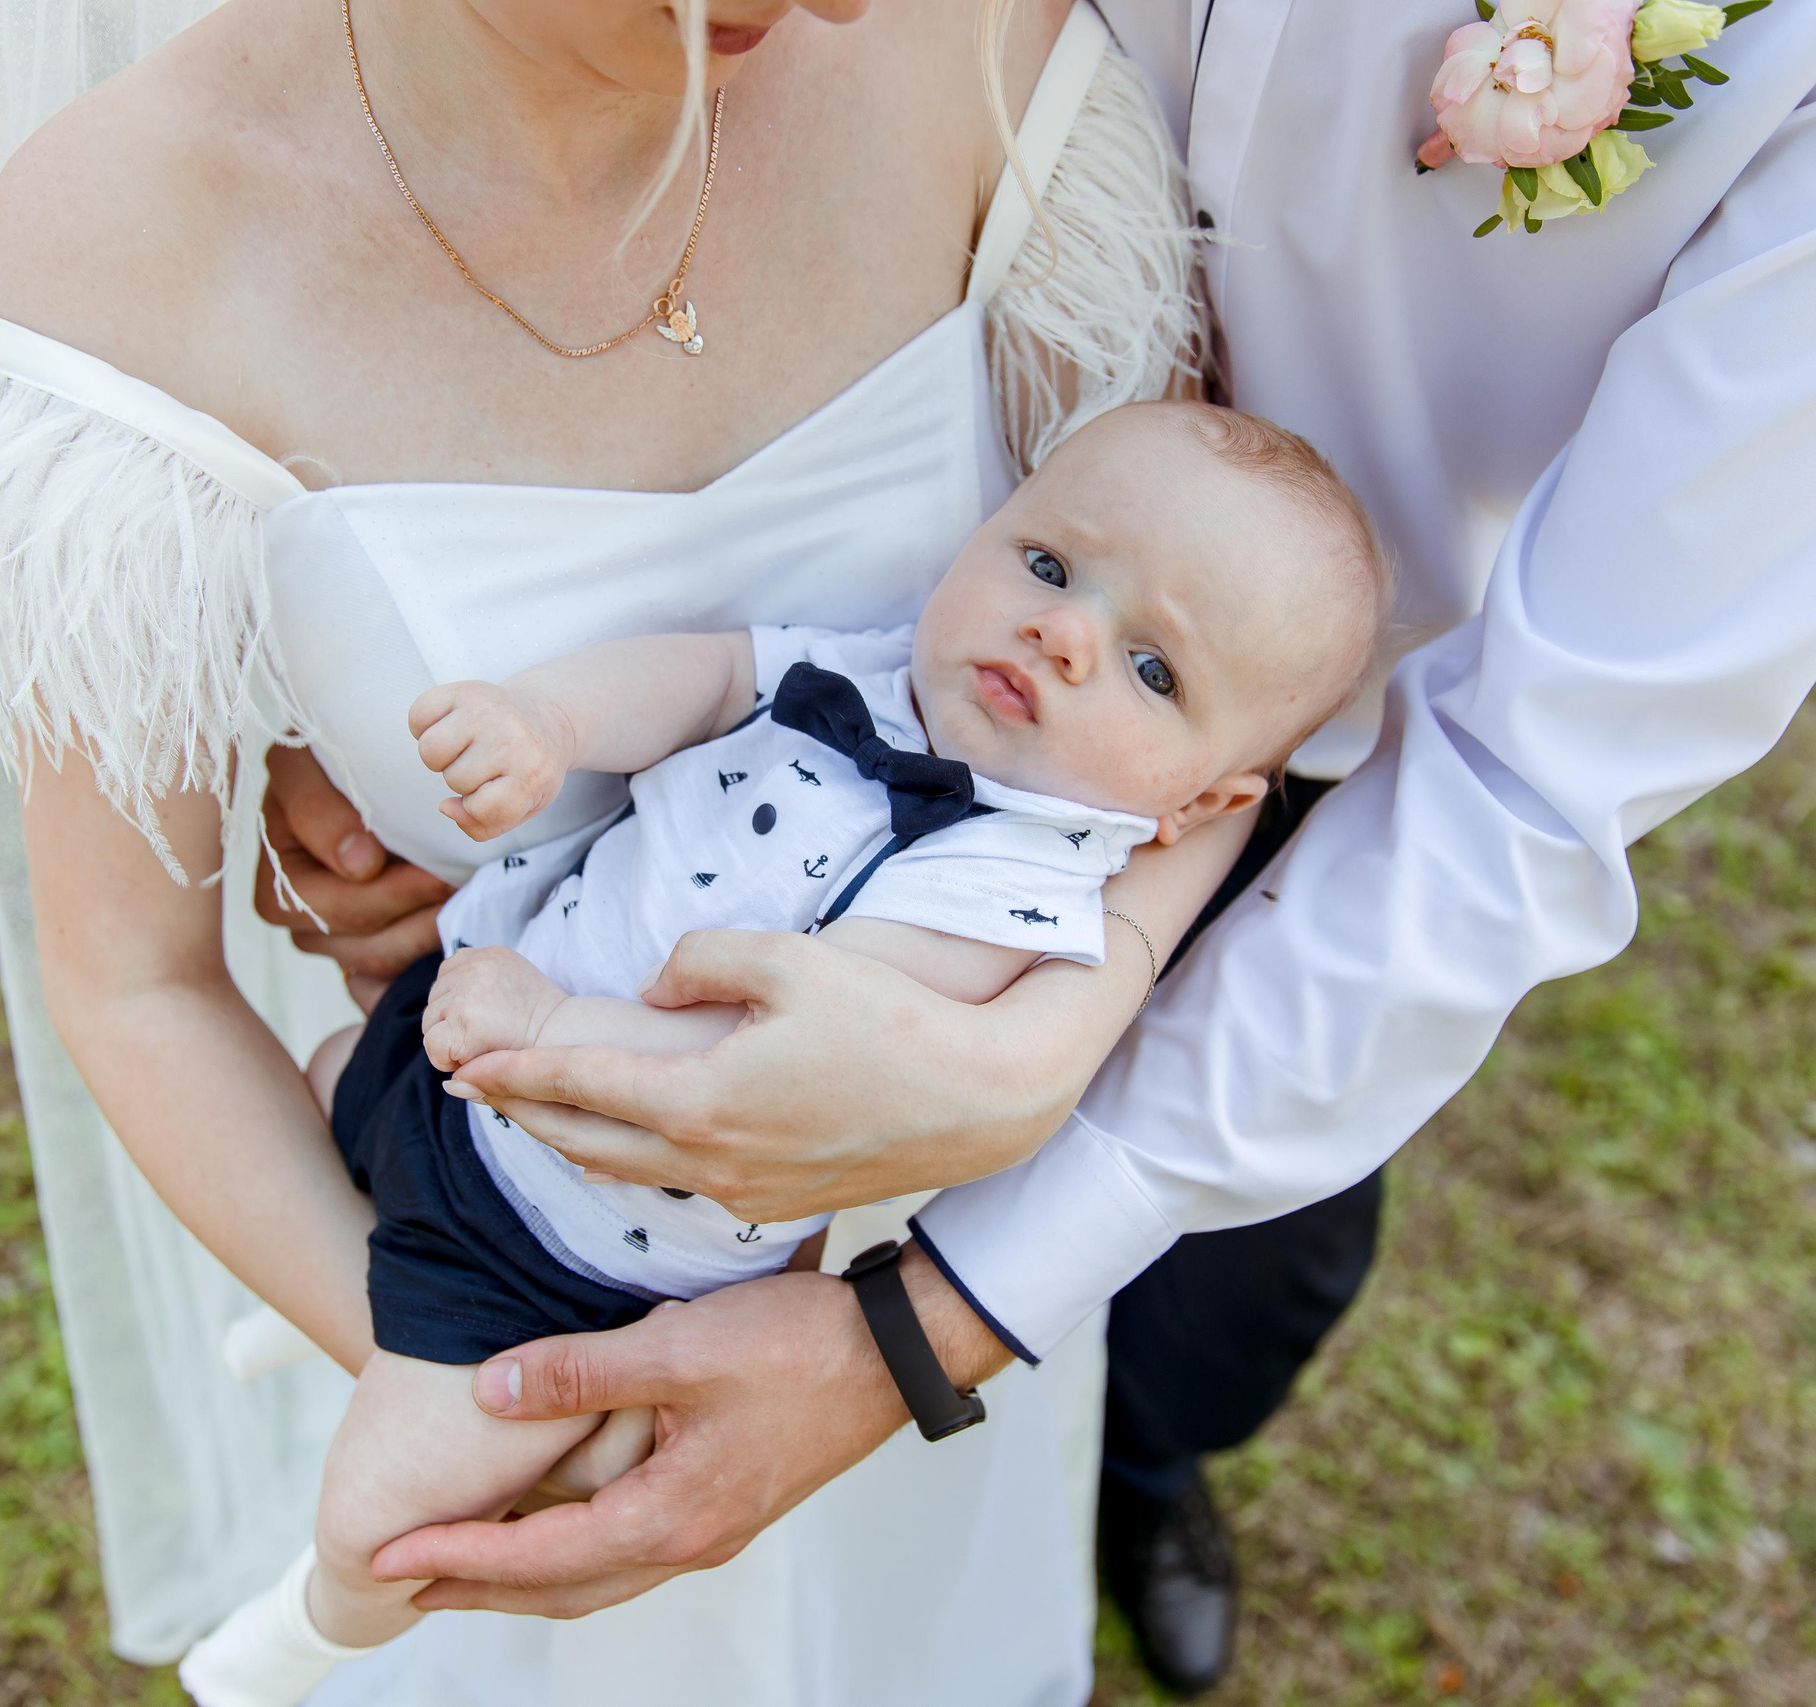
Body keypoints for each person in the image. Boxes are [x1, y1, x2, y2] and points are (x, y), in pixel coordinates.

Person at [263, 0, 1816, 1695]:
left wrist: (935, 1326)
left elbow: (1554, 757)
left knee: (1239, 1284)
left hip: (1241, 745)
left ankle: (1144, 1464)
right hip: (791, 481)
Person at [0, 0, 1224, 1700]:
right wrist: (512, 1387)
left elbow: (1233, 713)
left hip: (945, 1260)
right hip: (499, 1277)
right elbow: (132, 983)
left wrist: (1018, 1094)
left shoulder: (973, 40)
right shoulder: (130, 233)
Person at [177, 399, 1387, 1705]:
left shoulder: (1012, 904)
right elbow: (701, 676)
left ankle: (307, 1627)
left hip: (563, 1252)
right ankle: (326, 1296)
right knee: (315, 1097)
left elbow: (765, 1054)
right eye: (1047, 563)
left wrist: (547, 1032)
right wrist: (549, 723)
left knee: (383, 1508)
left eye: (1154, 671)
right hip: (445, 1062)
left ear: (1199, 806)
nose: (1066, 629)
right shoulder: (869, 669)